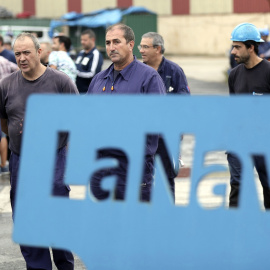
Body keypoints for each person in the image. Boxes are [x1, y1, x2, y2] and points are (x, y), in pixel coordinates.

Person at [0, 32, 78, 269]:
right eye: (18, 53)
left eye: (27, 52)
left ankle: (64, 264)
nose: (22, 58)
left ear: (39, 52)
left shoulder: (60, 82)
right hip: (21, 159)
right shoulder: (6, 85)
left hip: (54, 156)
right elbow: (4, 122)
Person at [87, 23, 166, 201]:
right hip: (100, 167)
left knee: (135, 225)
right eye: (108, 43)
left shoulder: (149, 78)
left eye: (117, 42)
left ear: (131, 44)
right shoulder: (99, 80)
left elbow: (159, 123)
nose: (111, 47)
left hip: (134, 169)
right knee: (104, 224)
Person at [139, 32, 190, 197]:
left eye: (146, 46)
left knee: (166, 181)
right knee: (142, 181)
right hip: (143, 137)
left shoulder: (174, 72)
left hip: (166, 138)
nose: (141, 50)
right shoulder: (138, 72)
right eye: (141, 46)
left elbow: (184, 105)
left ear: (158, 49)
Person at [228, 22, 270, 209]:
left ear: (251, 47)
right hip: (240, 142)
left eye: (237, 47)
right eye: (233, 46)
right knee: (237, 189)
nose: (233, 52)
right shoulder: (234, 75)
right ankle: (235, 233)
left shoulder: (268, 72)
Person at [0, 56, 18, 175]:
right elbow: (17, 69)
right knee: (2, 136)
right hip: (8, 97)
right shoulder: (4, 60)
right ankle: (3, 165)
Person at [75, 29, 103, 94]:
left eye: (85, 40)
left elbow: (92, 74)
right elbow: (75, 66)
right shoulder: (81, 53)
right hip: (77, 92)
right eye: (81, 40)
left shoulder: (96, 54)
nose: (82, 42)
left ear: (93, 40)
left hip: (87, 93)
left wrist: (76, 72)